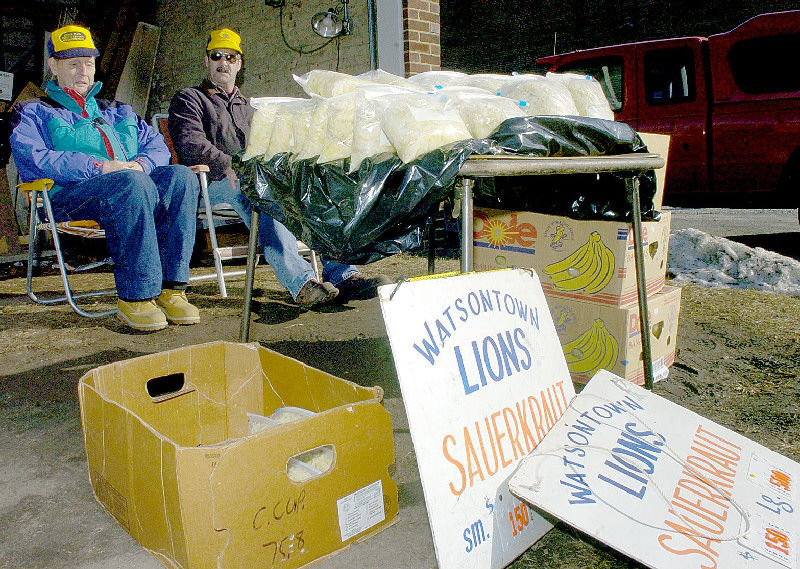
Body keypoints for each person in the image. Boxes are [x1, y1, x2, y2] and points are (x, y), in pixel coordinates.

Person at [168, 28, 389, 308]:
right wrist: (230, 164)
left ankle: (343, 274)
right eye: (216, 56)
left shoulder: (253, 108)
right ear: (207, 61)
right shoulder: (190, 99)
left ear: (239, 64)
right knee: (261, 194)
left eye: (230, 57)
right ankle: (301, 284)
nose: (223, 63)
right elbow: (190, 143)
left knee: (313, 190)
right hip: (211, 182)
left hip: (253, 181)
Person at [10, 24, 201, 332]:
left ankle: (170, 289)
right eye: (72, 63)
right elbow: (36, 159)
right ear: (52, 66)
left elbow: (156, 146)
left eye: (88, 62)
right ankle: (136, 297)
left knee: (180, 178)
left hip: (129, 190)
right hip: (66, 198)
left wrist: (141, 165)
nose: (82, 71)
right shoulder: (33, 111)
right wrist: (100, 167)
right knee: (131, 183)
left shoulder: (117, 110)